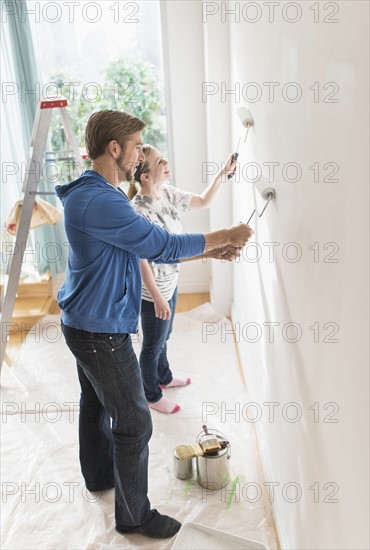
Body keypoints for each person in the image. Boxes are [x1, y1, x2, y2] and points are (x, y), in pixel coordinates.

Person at [56, 109, 253, 540]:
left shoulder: (95, 193)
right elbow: (159, 244)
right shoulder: (103, 201)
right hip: (99, 331)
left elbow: (146, 248)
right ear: (115, 149)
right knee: (134, 422)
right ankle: (134, 516)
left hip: (81, 322)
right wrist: (226, 235)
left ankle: (100, 477)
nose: (141, 156)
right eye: (137, 148)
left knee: (94, 404)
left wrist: (208, 254)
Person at [130, 145, 236, 414]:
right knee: (152, 345)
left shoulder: (168, 193)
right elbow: (142, 259)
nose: (166, 162)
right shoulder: (138, 212)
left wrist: (222, 174)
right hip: (151, 292)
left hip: (171, 282)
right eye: (159, 161)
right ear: (145, 175)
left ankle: (163, 378)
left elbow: (203, 201)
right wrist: (156, 297)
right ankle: (151, 395)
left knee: (165, 336)